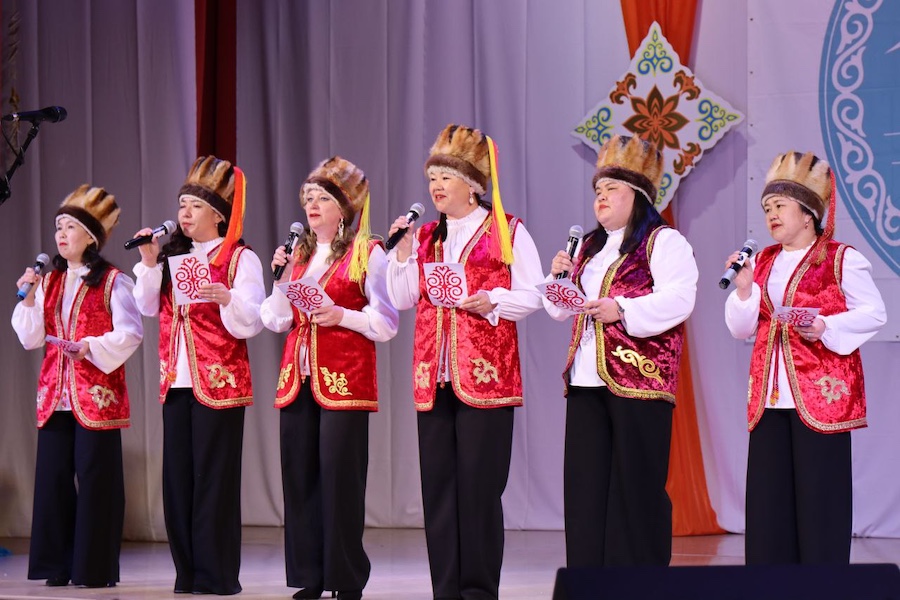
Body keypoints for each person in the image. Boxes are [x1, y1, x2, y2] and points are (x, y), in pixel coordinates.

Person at [386, 124, 544, 600]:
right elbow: (403, 298)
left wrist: (493, 300)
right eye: (432, 177)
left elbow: (533, 294)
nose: (435, 186)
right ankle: (446, 590)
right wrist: (401, 255)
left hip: (486, 376)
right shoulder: (425, 236)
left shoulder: (507, 229)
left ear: (473, 184)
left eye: (446, 177)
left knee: (478, 489)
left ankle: (477, 590)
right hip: (433, 376)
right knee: (438, 489)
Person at [724, 151, 886, 565]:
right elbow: (741, 329)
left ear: (809, 212)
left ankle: (822, 587)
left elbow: (874, 312)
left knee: (820, 505)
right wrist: (744, 290)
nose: (771, 216)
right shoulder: (761, 262)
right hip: (769, 398)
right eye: (767, 209)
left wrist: (826, 326)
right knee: (768, 507)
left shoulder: (840, 257)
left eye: (780, 206)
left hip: (821, 398)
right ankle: (770, 587)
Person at [544, 135, 698, 567]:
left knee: (636, 488)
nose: (601, 196)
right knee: (585, 488)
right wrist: (558, 279)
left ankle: (638, 584)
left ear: (639, 195)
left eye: (612, 188)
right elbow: (558, 310)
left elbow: (680, 298)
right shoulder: (588, 248)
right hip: (586, 379)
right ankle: (588, 582)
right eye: (598, 189)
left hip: (639, 379)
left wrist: (623, 309)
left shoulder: (663, 242)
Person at [262, 157, 398, 600]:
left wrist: (342, 315)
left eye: (322, 198)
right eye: (308, 198)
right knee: (299, 477)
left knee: (340, 480)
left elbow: (386, 322)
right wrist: (282, 279)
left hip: (345, 378)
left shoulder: (367, 251)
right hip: (297, 378)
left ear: (344, 208)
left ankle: (345, 578)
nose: (312, 205)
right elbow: (275, 320)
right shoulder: (298, 254)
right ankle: (311, 575)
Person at [132, 156, 265, 594]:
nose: (184, 214)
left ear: (218, 215)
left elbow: (252, 320)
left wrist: (227, 298)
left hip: (219, 382)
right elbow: (147, 307)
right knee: (178, 481)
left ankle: (216, 575)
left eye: (194, 206)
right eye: (182, 205)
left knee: (215, 481)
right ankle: (186, 573)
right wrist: (149, 261)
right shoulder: (173, 257)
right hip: (176, 381)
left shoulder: (240, 258)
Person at [12, 185, 143, 588]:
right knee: (53, 479)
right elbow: (31, 338)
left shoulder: (113, 281)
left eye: (70, 227)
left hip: (96, 393)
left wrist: (91, 347)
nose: (61, 234)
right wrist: (29, 299)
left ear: (90, 236)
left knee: (97, 480)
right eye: (58, 227)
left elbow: (131, 332)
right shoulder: (48, 281)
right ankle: (57, 564)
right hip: (55, 393)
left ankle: (94, 568)